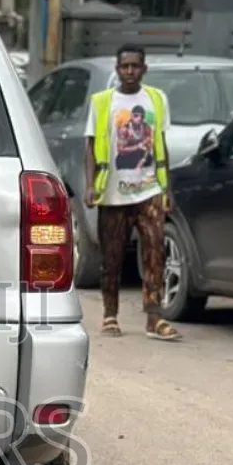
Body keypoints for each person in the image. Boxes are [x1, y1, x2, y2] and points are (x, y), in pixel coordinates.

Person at [83, 45, 181, 341]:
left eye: (134, 66)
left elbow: (160, 143)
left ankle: (154, 317)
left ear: (144, 69)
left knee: (155, 252)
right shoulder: (102, 102)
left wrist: (167, 188)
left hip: (149, 188)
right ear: (117, 68)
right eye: (124, 66)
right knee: (112, 257)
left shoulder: (156, 99)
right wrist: (90, 184)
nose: (129, 71)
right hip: (113, 193)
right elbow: (89, 145)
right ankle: (110, 314)